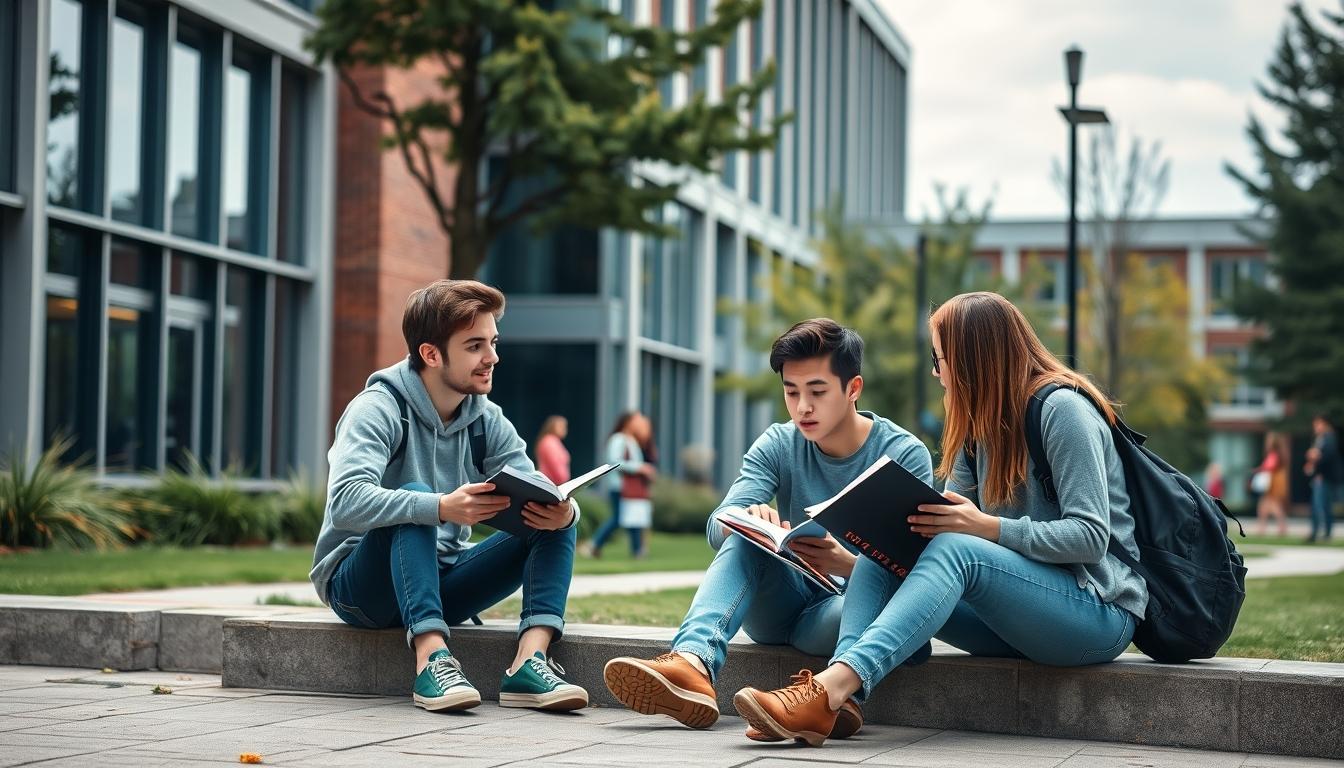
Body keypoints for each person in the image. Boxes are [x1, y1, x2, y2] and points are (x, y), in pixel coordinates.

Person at [730, 292, 1147, 747]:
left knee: (957, 547)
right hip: (1010, 618)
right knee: (891, 541)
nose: (936, 371)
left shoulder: (1062, 410)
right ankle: (837, 702)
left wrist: (985, 526)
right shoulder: (978, 429)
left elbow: (1089, 537)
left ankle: (830, 688)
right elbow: (943, 536)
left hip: (1095, 614)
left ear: (972, 358)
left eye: (940, 357)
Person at [603, 318, 932, 739]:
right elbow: (715, 527)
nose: (802, 408)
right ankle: (692, 664)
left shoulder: (901, 453)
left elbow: (919, 576)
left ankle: (834, 699)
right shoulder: (779, 442)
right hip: (782, 604)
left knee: (870, 564)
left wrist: (847, 563)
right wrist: (747, 520)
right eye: (791, 392)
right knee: (742, 533)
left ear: (853, 389)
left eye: (817, 392)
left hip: (845, 615)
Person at [311, 279, 588, 713]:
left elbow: (538, 486)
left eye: (493, 342)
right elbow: (345, 501)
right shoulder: (378, 408)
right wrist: (440, 507)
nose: (492, 357)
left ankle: (529, 664)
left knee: (552, 513)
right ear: (431, 353)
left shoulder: (486, 419)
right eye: (475, 345)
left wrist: (564, 512)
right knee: (417, 497)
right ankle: (431, 660)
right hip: (362, 589)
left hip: (441, 585)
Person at [582, 412, 656, 558]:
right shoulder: (618, 439)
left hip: (628, 488)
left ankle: (637, 551)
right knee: (619, 518)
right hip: (620, 486)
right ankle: (593, 545)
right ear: (628, 422)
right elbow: (615, 462)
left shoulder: (631, 440)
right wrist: (639, 468)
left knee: (632, 517)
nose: (640, 423)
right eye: (637, 420)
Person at [1305, 414, 1343, 542]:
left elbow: (1327, 456)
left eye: (1318, 424)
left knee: (1320, 505)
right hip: (1321, 476)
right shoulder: (1319, 438)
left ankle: (1318, 533)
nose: (1315, 427)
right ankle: (1323, 533)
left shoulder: (1329, 437)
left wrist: (1315, 456)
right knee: (1324, 506)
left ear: (1324, 424)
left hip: (1324, 477)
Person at [1253, 434, 1289, 537]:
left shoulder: (1274, 454)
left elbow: (1269, 467)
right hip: (1274, 483)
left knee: (1272, 506)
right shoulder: (1280, 454)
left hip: (1272, 484)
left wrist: (1258, 470)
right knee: (1264, 507)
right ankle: (1264, 528)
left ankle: (1279, 528)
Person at [535, 415, 571, 486]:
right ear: (552, 426)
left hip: (551, 483)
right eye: (560, 426)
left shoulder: (551, 441)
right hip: (551, 484)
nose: (564, 429)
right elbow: (554, 465)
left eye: (564, 427)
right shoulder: (550, 442)